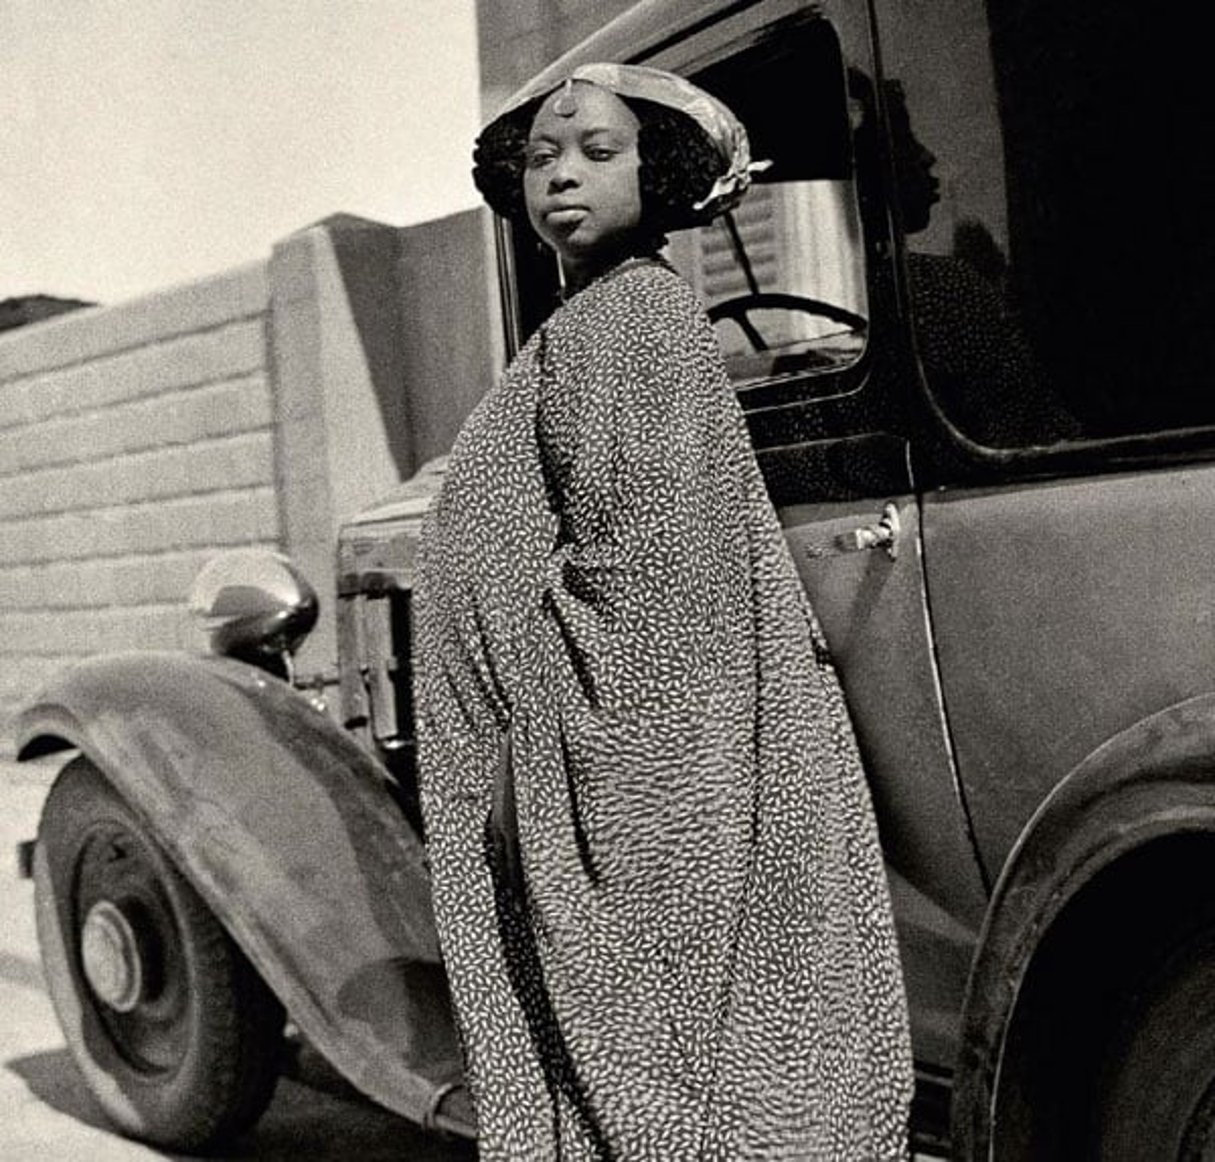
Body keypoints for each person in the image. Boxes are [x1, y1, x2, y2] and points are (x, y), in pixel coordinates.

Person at [413, 63, 913, 1160]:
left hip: (627, 792)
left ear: (664, 173)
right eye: (543, 156)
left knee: (663, 1073)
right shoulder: (594, 321)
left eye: (598, 150)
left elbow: (649, 596)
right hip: (584, 768)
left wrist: (524, 762)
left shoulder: (631, 322)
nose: (562, 175)